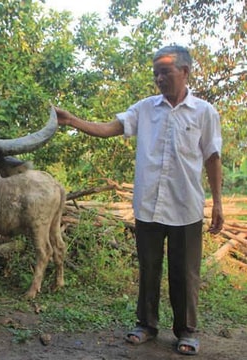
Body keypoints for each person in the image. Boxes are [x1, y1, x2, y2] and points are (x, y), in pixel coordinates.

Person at [55, 45, 223, 356]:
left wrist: (218, 203)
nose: (159, 78)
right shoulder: (145, 109)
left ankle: (186, 330)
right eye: (156, 72)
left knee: (185, 273)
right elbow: (109, 129)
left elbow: (213, 158)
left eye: (165, 72)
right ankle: (146, 324)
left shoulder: (204, 113)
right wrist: (73, 120)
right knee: (149, 267)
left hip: (186, 205)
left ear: (185, 72)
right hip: (148, 204)